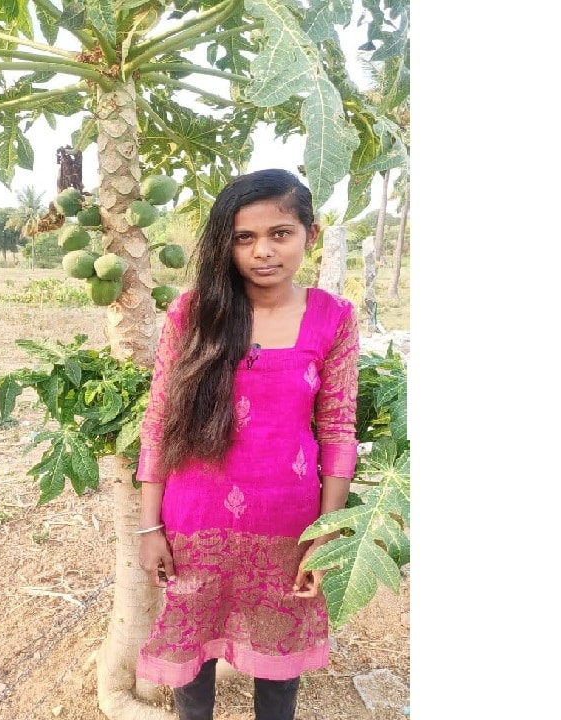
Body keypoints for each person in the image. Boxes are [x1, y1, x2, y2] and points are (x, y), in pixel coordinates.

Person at [133, 168, 359, 720]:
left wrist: (323, 538)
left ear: (312, 232)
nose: (263, 251)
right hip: (196, 518)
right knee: (194, 666)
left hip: (290, 524)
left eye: (280, 233)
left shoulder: (334, 317)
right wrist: (148, 527)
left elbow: (337, 429)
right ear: (225, 243)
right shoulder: (194, 314)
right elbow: (160, 419)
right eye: (244, 237)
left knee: (280, 671)